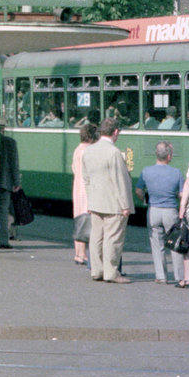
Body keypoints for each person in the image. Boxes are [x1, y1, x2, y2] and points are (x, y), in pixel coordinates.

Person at [81, 117, 134, 283]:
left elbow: (86, 179)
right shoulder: (114, 153)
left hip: (96, 202)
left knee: (96, 237)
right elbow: (120, 180)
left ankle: (97, 270)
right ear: (116, 132)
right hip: (114, 204)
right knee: (113, 239)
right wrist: (125, 205)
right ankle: (111, 273)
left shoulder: (89, 151)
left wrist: (90, 200)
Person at [134, 141, 184, 285]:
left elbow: (138, 191)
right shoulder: (176, 173)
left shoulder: (146, 171)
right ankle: (179, 276)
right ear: (169, 156)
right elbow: (182, 194)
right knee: (175, 243)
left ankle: (161, 276)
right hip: (170, 211)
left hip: (153, 211)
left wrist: (146, 200)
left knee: (157, 244)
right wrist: (174, 195)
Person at [71, 123, 98, 265]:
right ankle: (82, 254)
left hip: (77, 188)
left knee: (79, 221)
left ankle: (78, 253)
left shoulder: (78, 149)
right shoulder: (88, 151)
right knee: (86, 221)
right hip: (86, 189)